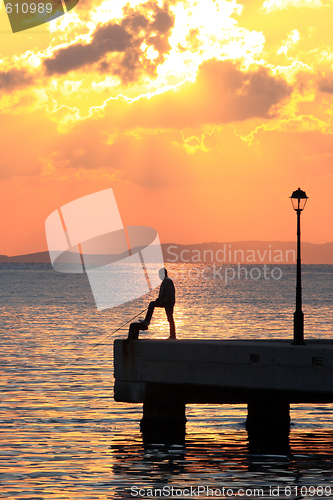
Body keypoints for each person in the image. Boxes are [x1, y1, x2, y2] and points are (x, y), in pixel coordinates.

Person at [140, 268, 176, 339]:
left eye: (159, 274)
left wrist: (162, 301)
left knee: (170, 318)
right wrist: (158, 300)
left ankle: (173, 335)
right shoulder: (165, 281)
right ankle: (146, 321)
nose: (159, 276)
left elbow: (169, 294)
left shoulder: (167, 281)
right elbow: (164, 293)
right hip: (165, 302)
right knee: (152, 304)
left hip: (168, 302)